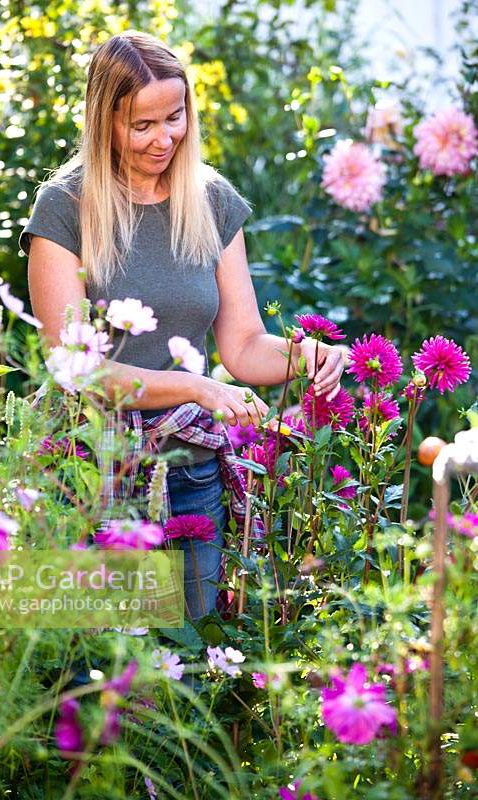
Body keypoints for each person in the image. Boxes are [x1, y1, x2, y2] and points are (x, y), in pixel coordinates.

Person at [20, 30, 346, 622]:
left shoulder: (210, 200)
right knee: (100, 677)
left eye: (174, 118)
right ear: (103, 121)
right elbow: (75, 368)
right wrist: (199, 388)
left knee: (186, 669)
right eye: (140, 124)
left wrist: (309, 356)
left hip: (188, 471)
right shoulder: (65, 208)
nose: (163, 138)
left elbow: (244, 347)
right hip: (90, 471)